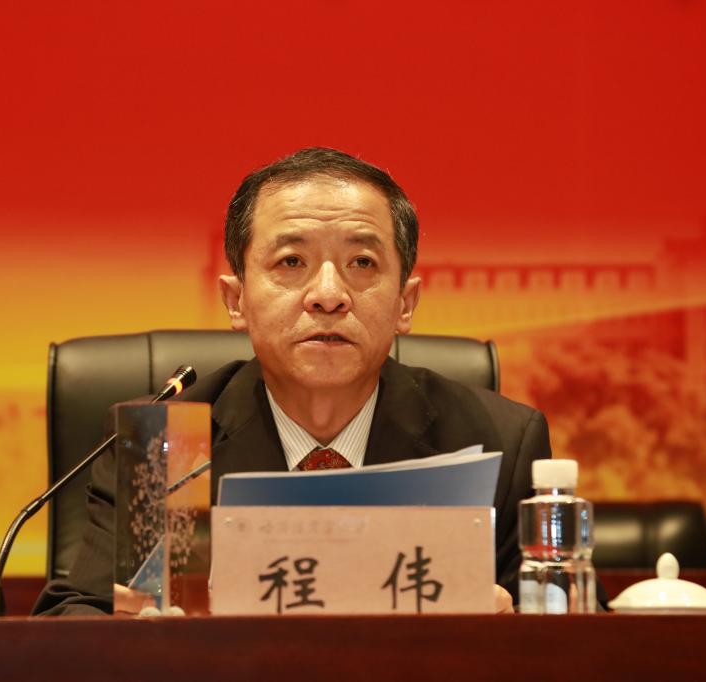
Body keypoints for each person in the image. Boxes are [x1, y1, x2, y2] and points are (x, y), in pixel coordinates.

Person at [33, 147, 551, 616]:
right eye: (292, 261)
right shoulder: (168, 445)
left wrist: (513, 639)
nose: (328, 294)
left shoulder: (497, 440)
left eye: (362, 262)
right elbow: (74, 619)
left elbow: (569, 637)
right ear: (236, 300)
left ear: (405, 304)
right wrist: (131, 641)